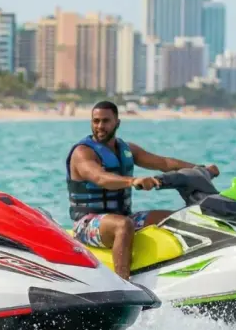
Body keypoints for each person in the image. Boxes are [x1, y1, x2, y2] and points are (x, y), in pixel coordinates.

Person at [66, 100, 220, 279]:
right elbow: (100, 178)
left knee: (176, 219)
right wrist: (133, 181)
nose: (100, 126)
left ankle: (187, 272)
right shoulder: (83, 152)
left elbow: (164, 163)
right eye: (96, 121)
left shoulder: (127, 149)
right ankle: (123, 285)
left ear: (117, 123)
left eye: (105, 121)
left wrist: (201, 169)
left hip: (123, 216)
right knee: (123, 225)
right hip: (87, 223)